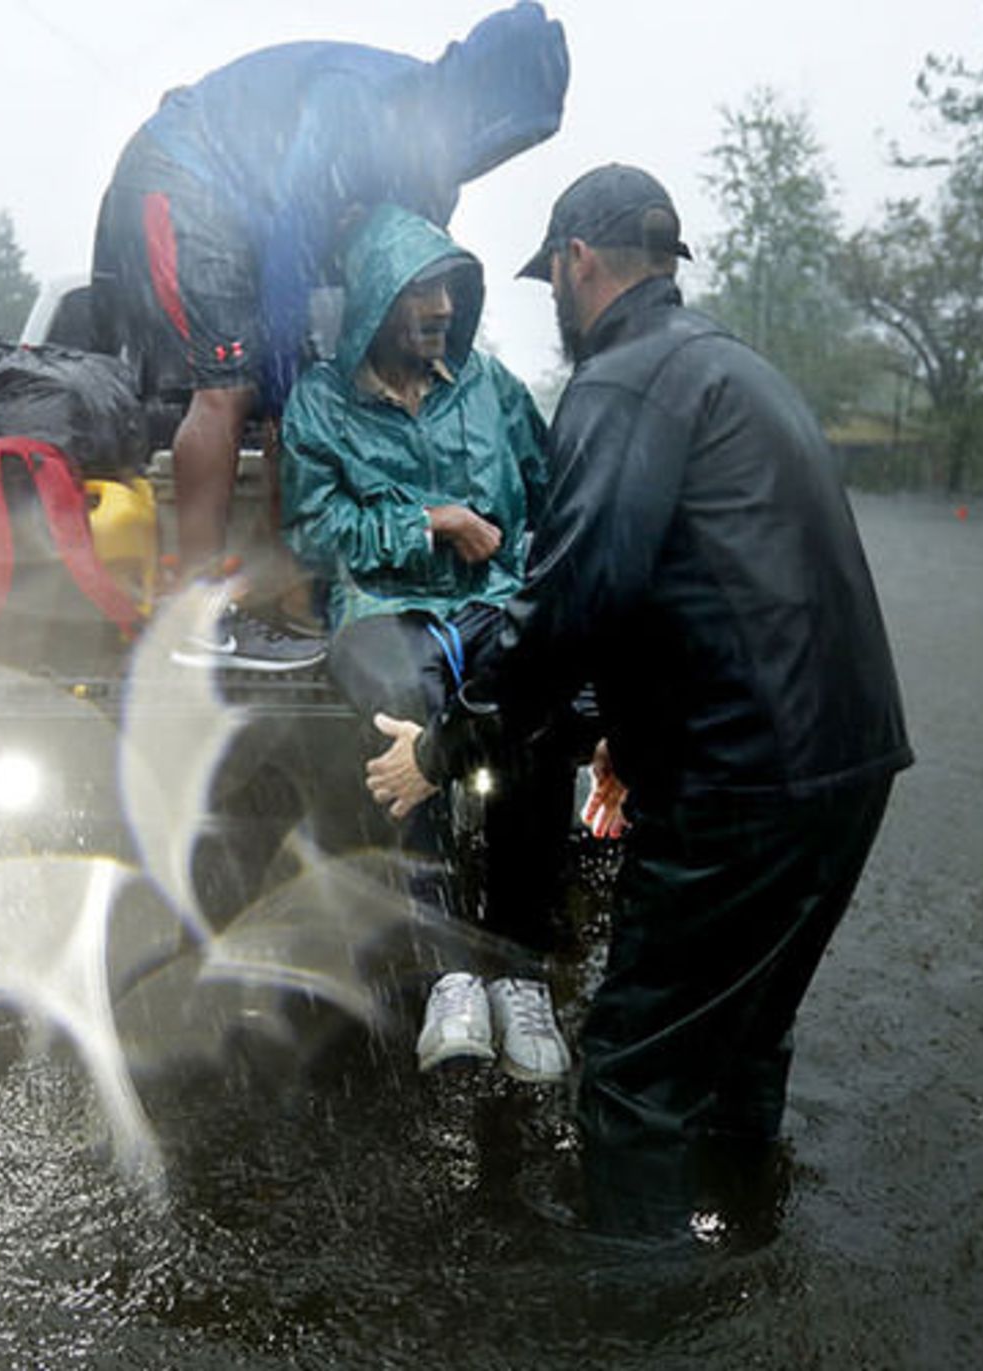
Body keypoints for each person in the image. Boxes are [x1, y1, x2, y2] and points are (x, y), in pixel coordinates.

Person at [366, 164, 913, 1236]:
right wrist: (626, 724)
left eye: (552, 281)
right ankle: (742, 1238)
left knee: (631, 1081)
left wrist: (440, 749)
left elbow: (574, 604)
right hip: (848, 766)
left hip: (742, 783)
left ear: (574, 263)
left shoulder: (619, 384)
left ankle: (642, 1318)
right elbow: (719, 575)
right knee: (744, 1033)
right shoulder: (732, 368)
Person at [91, 3, 568, 669]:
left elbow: (400, 268)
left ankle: (284, 590)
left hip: (252, 209)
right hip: (190, 175)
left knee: (300, 394)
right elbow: (292, 248)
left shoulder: (432, 159)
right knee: (231, 385)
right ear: (478, 95)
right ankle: (190, 613)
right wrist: (295, 397)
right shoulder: (362, 103)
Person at [283, 204, 573, 1080]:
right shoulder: (320, 405)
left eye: (450, 287)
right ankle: (448, 966)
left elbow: (555, 491)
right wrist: (431, 522)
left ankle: (520, 973)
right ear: (375, 301)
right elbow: (316, 531)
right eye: (421, 290)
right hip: (381, 607)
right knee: (398, 706)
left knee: (533, 709)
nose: (443, 305)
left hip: (491, 601)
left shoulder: (491, 388)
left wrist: (538, 576)